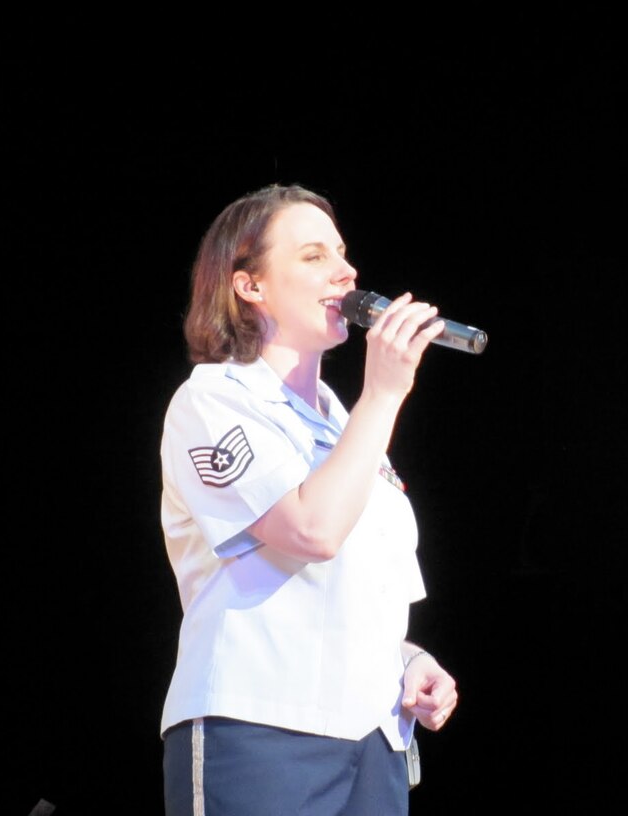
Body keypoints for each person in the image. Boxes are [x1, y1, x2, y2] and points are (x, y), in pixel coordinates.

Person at [158, 183, 459, 815]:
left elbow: (348, 590)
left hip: (372, 743)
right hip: (262, 731)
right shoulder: (212, 401)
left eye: (344, 253)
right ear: (250, 286)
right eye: (313, 255)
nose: (345, 271)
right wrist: (384, 395)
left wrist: (408, 659)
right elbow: (311, 531)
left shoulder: (341, 423)